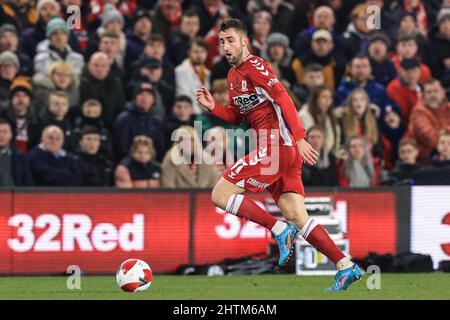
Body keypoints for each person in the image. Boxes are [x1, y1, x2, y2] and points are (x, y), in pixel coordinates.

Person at [196, 19, 361, 290]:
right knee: (296, 214)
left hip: (277, 147)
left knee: (220, 194)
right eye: (222, 42)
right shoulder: (233, 76)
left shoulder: (256, 66)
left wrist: (299, 138)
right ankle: (345, 265)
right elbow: (238, 117)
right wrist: (214, 107)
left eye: (231, 40)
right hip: (279, 151)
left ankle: (279, 230)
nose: (225, 46)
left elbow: (283, 97)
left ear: (245, 41)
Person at [114, 82, 165, 162]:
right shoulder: (124, 119)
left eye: (148, 95)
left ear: (153, 99)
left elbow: (160, 147)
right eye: (141, 94)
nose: (144, 98)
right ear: (135, 98)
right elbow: (121, 147)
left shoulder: (157, 120)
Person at [79, 52, 125, 130]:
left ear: (108, 67)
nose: (99, 69)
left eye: (103, 66)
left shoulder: (116, 83)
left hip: (111, 126)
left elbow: (120, 106)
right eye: (96, 65)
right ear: (89, 66)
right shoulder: (81, 84)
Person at [408, 79, 450, 163]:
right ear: (423, 95)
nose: (433, 95)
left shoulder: (448, 107)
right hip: (429, 160)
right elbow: (430, 139)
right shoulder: (418, 112)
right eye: (429, 92)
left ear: (443, 92)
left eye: (436, 91)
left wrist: (444, 132)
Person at [299, 85, 340, 154]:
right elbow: (310, 140)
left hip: (327, 157)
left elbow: (335, 143)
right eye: (324, 97)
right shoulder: (304, 116)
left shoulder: (330, 116)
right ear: (315, 99)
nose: (328, 101)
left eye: (330, 97)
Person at [175, 37, 210, 115]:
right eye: (196, 52)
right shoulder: (181, 71)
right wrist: (201, 115)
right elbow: (184, 98)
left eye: (202, 52)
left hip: (203, 114)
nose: (199, 55)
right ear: (189, 52)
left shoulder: (207, 73)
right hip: (189, 115)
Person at [387, 57, 422, 127]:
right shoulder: (394, 88)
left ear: (420, 72)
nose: (411, 75)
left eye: (414, 71)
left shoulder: (422, 89)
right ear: (401, 71)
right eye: (407, 71)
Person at [0, 118, 33, 186]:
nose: (1, 135)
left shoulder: (21, 157)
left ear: (11, 135)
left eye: (5, 132)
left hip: (15, 195)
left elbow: (27, 183)